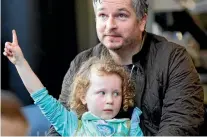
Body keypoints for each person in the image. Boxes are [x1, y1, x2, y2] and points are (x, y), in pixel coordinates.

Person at [47, 0, 204, 136]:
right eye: (102, 15)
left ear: (142, 21)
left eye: (121, 15)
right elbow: (59, 127)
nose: (110, 26)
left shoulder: (173, 59)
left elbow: (181, 125)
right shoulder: (82, 62)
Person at [3, 30, 143, 136]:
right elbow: (41, 97)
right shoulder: (72, 125)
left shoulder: (130, 127)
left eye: (116, 93)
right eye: (102, 92)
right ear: (83, 96)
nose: (110, 100)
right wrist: (20, 63)